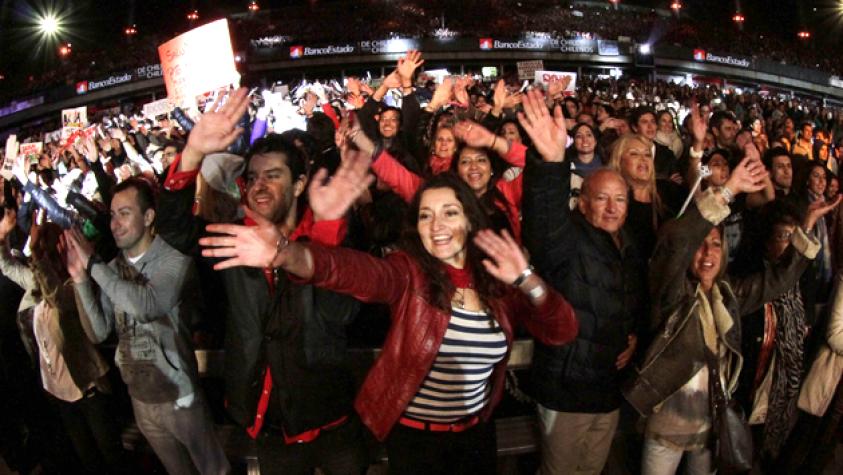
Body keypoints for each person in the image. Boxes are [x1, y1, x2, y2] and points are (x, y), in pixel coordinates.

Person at [200, 160, 578, 474]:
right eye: (426, 215)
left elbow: (562, 330)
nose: (437, 225)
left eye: (450, 213)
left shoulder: (498, 283)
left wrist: (527, 279)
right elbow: (353, 271)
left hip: (476, 435)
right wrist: (290, 254)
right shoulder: (407, 272)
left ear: (470, 220)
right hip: (415, 441)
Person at [165, 89, 369, 474]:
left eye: (272, 176)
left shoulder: (328, 235)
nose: (258, 185)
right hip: (271, 429)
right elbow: (174, 230)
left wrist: (319, 243)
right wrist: (192, 152)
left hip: (333, 424)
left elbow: (340, 314)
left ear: (298, 184)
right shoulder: (232, 240)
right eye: (253, 177)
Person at [624, 154, 835, 474]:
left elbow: (776, 280)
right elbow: (678, 239)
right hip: (667, 427)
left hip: (711, 425)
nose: (707, 253)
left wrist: (805, 228)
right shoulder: (672, 295)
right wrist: (727, 190)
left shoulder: (728, 295)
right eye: (701, 245)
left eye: (716, 244)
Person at [65, 177, 229, 475]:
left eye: (124, 213)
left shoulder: (174, 261)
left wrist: (93, 267)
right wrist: (80, 281)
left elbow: (146, 306)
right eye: (112, 214)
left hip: (181, 396)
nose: (114, 223)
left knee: (213, 470)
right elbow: (99, 331)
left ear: (149, 216)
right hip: (140, 397)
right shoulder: (112, 269)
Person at [519, 89, 645, 475]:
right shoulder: (567, 240)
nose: (611, 208)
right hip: (566, 390)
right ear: (583, 202)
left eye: (620, 200)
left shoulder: (628, 247)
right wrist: (551, 162)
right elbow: (543, 220)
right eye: (601, 199)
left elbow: (633, 302)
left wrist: (634, 336)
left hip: (607, 389)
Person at [0, 213, 126, 474]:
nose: (43, 255)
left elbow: (57, 298)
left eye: (46, 249)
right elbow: (8, 267)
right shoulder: (37, 282)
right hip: (57, 390)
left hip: (86, 387)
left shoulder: (76, 285)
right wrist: (3, 237)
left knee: (112, 459)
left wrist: (35, 256)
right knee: (87, 459)